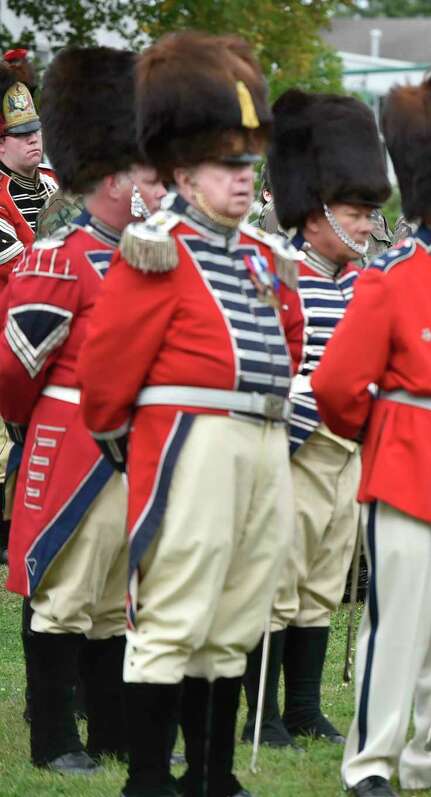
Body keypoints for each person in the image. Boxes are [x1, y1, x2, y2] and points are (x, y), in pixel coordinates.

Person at [78, 31, 295, 797]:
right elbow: (105, 376)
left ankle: (212, 772)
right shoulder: (155, 248)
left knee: (236, 614)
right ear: (182, 171)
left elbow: (287, 346)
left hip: (263, 439)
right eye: (226, 164)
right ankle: (147, 777)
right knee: (175, 613)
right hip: (191, 439)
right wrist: (135, 448)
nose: (244, 179)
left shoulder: (261, 257)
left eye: (248, 163)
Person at [312, 70, 431, 796]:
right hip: (405, 467)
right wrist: (386, 435)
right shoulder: (390, 276)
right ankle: (369, 762)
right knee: (396, 629)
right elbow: (336, 386)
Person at [0, 44, 166, 777]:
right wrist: (36, 429)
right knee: (64, 593)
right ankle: (53, 738)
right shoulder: (59, 256)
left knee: (110, 601)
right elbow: (12, 368)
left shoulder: (145, 254)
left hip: (134, 445)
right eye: (147, 175)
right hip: (70, 442)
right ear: (116, 174)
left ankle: (112, 729)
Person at [238, 88, 392, 750]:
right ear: (316, 210)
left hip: (347, 446)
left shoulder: (366, 280)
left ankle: (303, 706)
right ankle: (264, 714)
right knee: (276, 578)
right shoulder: (274, 268)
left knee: (324, 580)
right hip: (291, 442)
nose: (366, 227)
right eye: (356, 214)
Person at [0, 64, 57, 287]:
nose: (33, 139)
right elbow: (19, 269)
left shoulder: (56, 179)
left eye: (34, 130)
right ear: (1, 144)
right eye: (21, 134)